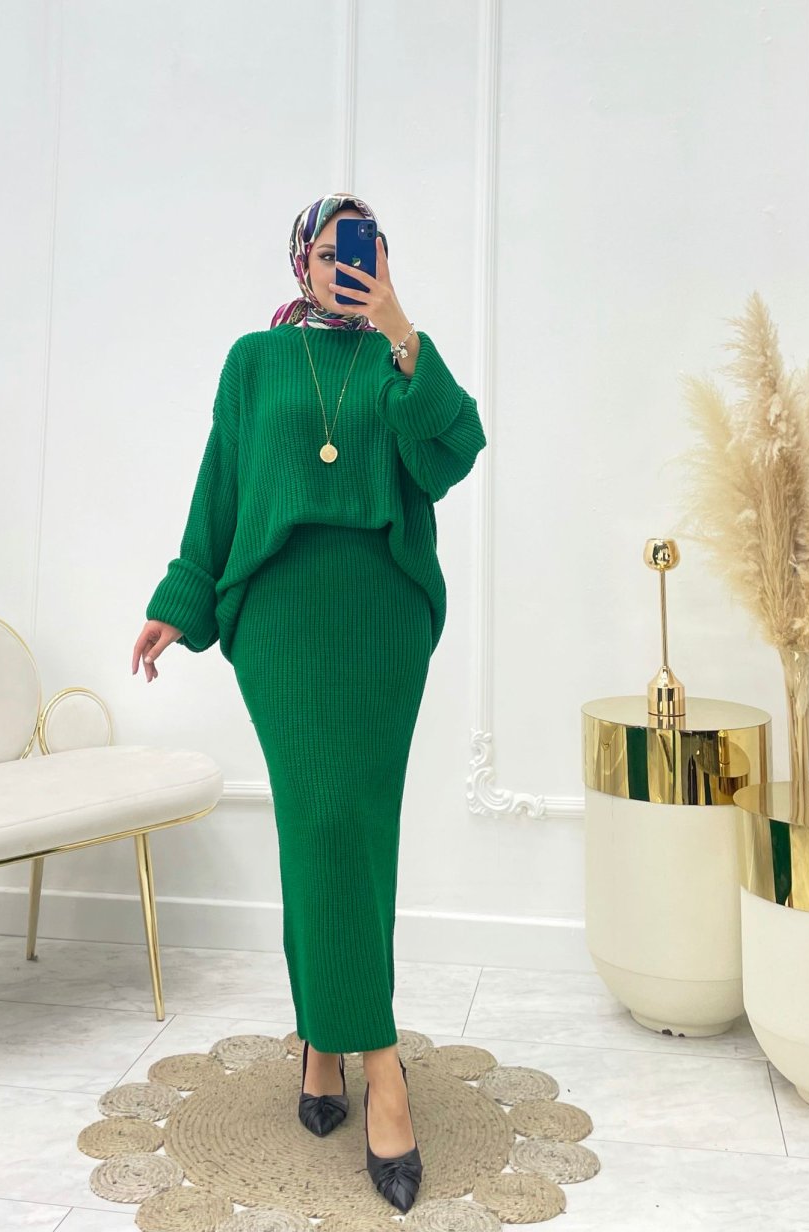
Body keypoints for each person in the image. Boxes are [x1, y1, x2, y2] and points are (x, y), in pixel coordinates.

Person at [130, 192, 486, 1212]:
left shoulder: (396, 358)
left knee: (351, 827)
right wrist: (179, 600)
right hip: (283, 621)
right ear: (301, 262)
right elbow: (222, 485)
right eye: (330, 252)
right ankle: (378, 1062)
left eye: (364, 251)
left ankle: (329, 1047)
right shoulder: (255, 360)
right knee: (319, 820)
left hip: (382, 618)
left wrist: (399, 325)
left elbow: (452, 453)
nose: (346, 266)